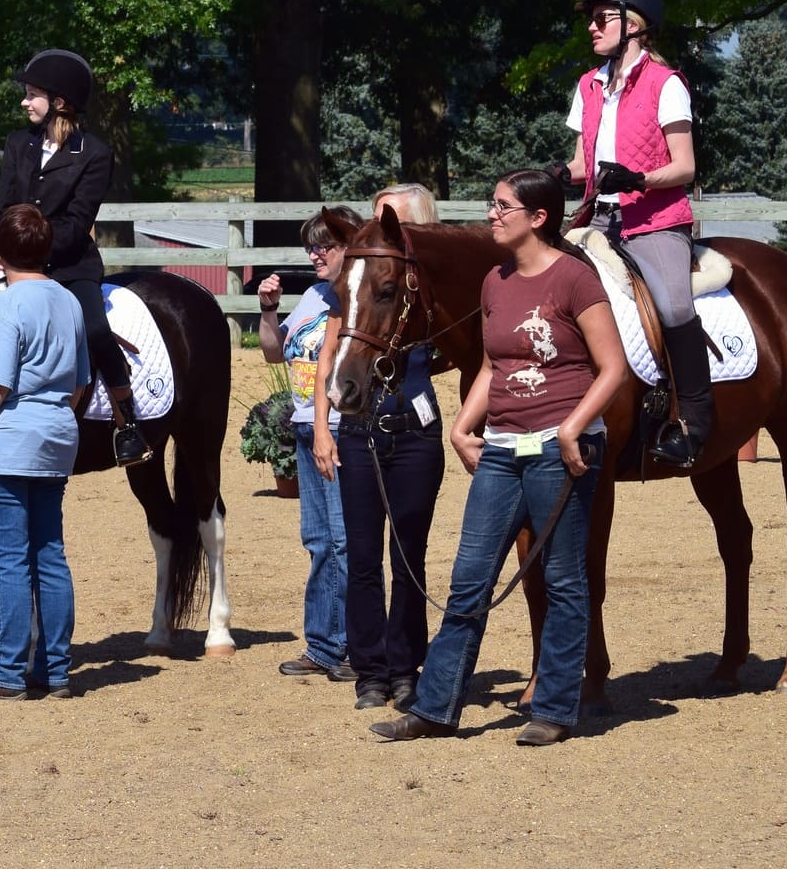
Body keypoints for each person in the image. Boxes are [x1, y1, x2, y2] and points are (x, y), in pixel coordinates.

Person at [371, 169, 628, 746]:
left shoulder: (575, 280)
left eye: (503, 206)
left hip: (562, 451)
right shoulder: (495, 281)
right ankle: (436, 707)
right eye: (492, 204)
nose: (491, 214)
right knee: (468, 580)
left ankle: (556, 709)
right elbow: (493, 366)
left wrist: (575, 428)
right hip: (502, 450)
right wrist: (464, 426)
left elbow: (612, 367)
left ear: (538, 218)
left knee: (563, 580)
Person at [555, 0, 706, 467]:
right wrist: (558, 173)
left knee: (672, 305)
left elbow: (685, 166)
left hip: (656, 221)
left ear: (633, 26)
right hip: (596, 219)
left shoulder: (667, 85)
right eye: (590, 20)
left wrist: (639, 177)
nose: (592, 27)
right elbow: (584, 163)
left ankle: (694, 421)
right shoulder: (588, 85)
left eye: (602, 18)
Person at [0, 204, 92, 701]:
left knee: (9, 561)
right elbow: (79, 383)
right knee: (50, 554)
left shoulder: (6, 305)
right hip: (55, 437)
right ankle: (55, 671)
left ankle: (8, 672)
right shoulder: (68, 301)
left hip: (7, 441)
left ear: (0, 253)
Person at [0, 49, 150, 468]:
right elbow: (3, 205)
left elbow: (77, 223)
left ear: (59, 101)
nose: (24, 102)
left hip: (70, 264)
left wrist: (28, 254)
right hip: (12, 261)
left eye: (32, 94)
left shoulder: (94, 153)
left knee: (94, 327)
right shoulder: (18, 143)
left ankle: (127, 418)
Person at [313, 183, 445, 712]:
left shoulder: (426, 291)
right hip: (360, 430)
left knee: (409, 555)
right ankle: (369, 669)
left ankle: (405, 664)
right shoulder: (365, 283)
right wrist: (322, 428)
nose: (377, 227)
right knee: (364, 556)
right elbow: (329, 355)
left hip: (415, 432)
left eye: (392, 221)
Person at [257, 207, 365, 685]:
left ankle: (346, 646)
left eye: (326, 245)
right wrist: (268, 311)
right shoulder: (314, 297)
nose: (315, 254)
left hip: (338, 429)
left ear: (349, 247)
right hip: (307, 427)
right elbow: (273, 351)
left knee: (342, 541)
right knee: (318, 541)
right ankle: (323, 644)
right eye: (311, 246)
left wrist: (325, 428)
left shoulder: (353, 300)